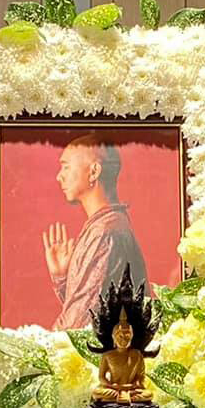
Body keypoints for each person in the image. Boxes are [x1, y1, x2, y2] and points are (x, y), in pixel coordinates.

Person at [40, 134, 148, 329]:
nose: (59, 176)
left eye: (66, 166)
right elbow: (93, 310)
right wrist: (63, 278)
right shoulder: (107, 225)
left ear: (93, 172)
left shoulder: (105, 232)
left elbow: (77, 324)